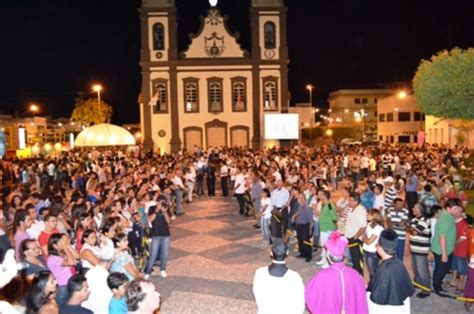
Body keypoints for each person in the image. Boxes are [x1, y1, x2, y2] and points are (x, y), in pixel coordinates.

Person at [305, 231, 368, 314]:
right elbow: (363, 292)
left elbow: (310, 296)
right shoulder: (355, 274)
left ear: (328, 257)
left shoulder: (321, 276)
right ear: (344, 256)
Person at [367, 228, 415, 313]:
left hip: (389, 309)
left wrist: (366, 293)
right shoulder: (398, 262)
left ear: (381, 249)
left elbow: (376, 299)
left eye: (377, 244)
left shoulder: (384, 271)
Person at [253, 240, 305, 314]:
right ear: (287, 253)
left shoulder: (259, 273)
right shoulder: (294, 277)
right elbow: (300, 306)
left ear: (271, 252)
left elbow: (258, 297)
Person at [431, 198, 457, 296]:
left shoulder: (448, 215)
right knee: (441, 269)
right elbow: (442, 236)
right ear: (448, 208)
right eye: (455, 209)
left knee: (444, 268)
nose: (456, 211)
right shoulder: (445, 218)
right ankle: (437, 287)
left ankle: (438, 283)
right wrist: (444, 254)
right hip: (442, 250)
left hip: (446, 249)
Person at [408, 203, 432, 298]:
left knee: (423, 271)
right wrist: (409, 227)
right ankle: (418, 283)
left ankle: (426, 290)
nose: (412, 208)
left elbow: (413, 232)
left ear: (419, 210)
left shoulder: (425, 220)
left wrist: (408, 227)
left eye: (414, 207)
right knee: (416, 269)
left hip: (421, 250)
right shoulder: (415, 219)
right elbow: (409, 228)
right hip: (414, 249)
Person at [47, 233, 77, 306]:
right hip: (63, 286)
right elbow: (71, 262)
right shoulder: (53, 258)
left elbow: (77, 256)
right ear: (54, 245)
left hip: (69, 283)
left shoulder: (62, 254)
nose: (63, 243)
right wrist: (65, 247)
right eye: (61, 242)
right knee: (63, 307)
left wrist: (67, 246)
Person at [144, 201, 171, 280]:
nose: (161, 204)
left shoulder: (165, 209)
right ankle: (148, 272)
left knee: (165, 254)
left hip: (165, 235)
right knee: (153, 255)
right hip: (155, 235)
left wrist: (165, 212)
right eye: (160, 202)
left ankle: (163, 269)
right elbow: (150, 220)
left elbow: (168, 221)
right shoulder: (152, 208)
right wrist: (156, 210)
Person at [344, 192, 367, 276]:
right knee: (352, 258)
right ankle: (353, 274)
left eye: (350, 200)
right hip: (349, 237)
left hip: (355, 239)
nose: (348, 202)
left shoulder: (360, 211)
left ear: (356, 201)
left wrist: (355, 237)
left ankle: (359, 276)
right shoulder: (351, 208)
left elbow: (363, 227)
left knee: (357, 259)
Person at [449, 202, 468, 294]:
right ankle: (453, 281)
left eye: (459, 211)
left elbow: (462, 238)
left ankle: (461, 284)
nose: (457, 212)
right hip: (455, 250)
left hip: (462, 251)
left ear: (462, 212)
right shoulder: (452, 221)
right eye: (455, 210)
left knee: (462, 268)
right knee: (454, 266)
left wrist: (452, 245)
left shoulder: (464, 223)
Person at [317, 190, 338, 268]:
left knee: (327, 245)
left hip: (328, 229)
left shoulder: (329, 205)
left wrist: (335, 225)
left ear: (325, 196)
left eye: (321, 195)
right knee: (323, 245)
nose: (320, 196)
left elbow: (334, 217)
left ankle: (327, 263)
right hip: (323, 228)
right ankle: (323, 259)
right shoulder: (324, 204)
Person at [363, 209, 384, 279]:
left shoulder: (378, 228)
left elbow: (369, 242)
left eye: (369, 214)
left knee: (373, 272)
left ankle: (375, 286)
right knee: (370, 270)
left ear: (374, 216)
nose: (367, 215)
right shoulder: (369, 224)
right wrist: (365, 238)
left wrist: (364, 238)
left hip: (373, 253)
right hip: (366, 250)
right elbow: (365, 236)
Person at [292, 193, 313, 262]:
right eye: (298, 198)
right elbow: (298, 213)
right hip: (299, 225)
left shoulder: (307, 208)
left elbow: (310, 220)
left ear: (304, 199)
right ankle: (302, 253)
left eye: (301, 198)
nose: (299, 200)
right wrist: (294, 216)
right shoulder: (300, 207)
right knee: (300, 240)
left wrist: (310, 229)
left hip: (305, 226)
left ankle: (308, 256)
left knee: (306, 241)